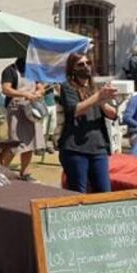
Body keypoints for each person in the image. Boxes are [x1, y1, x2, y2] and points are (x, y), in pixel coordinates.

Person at [58, 53, 118, 193]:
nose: (86, 66)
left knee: (104, 192)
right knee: (79, 192)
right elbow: (76, 110)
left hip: (98, 147)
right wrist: (98, 96)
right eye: (81, 64)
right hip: (75, 149)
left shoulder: (95, 88)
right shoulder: (67, 87)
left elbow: (113, 114)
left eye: (88, 63)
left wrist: (103, 100)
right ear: (72, 68)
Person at [0, 57, 45, 180]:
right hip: (16, 111)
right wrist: (24, 94)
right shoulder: (10, 71)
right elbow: (6, 89)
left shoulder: (33, 70)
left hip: (31, 110)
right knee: (15, 143)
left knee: (30, 143)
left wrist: (38, 92)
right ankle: (0, 171)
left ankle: (25, 173)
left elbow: (41, 86)